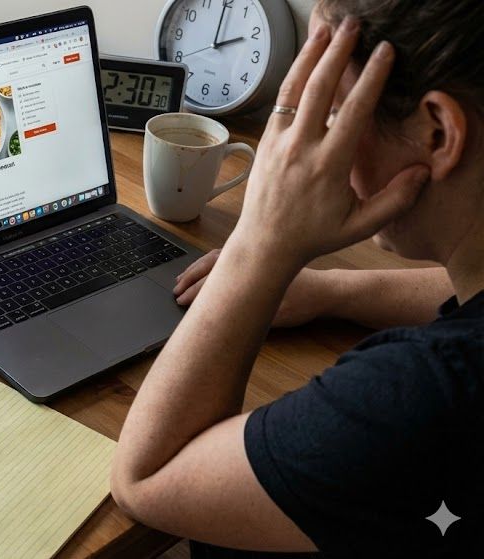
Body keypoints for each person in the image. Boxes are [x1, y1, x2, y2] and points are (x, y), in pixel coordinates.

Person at [110, 0, 483, 557]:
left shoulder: (420, 394)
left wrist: (262, 241)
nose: (318, 141)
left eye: (334, 114)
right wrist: (333, 289)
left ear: (437, 133)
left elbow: (145, 480)